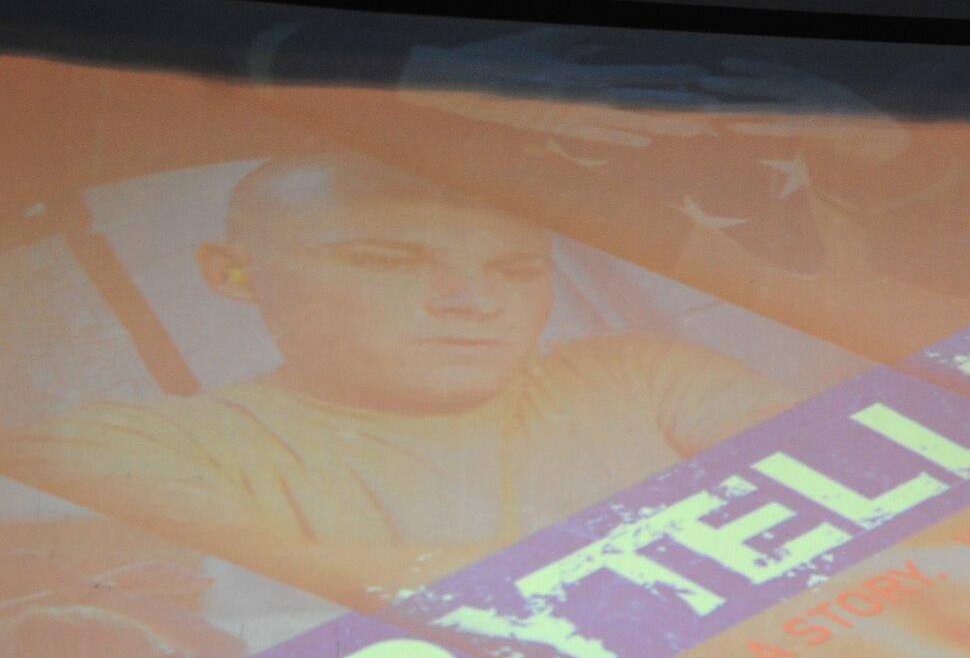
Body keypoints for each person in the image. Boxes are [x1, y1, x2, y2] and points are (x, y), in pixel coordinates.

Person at [1, 153, 795, 607]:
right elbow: (275, 607)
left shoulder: (643, 372)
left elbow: (859, 475)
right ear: (235, 271)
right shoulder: (108, 446)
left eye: (516, 270)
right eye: (385, 261)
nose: (476, 302)